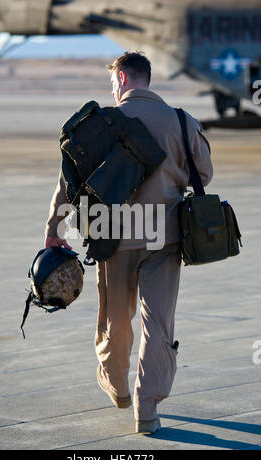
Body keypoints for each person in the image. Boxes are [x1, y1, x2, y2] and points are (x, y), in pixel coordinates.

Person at [44, 51, 213, 434]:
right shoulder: (182, 122)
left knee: (115, 317)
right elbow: (204, 173)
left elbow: (67, 186)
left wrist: (55, 230)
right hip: (165, 238)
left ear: (121, 79)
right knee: (158, 323)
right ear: (146, 79)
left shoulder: (97, 124)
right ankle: (147, 409)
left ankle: (117, 385)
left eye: (112, 83)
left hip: (112, 237)